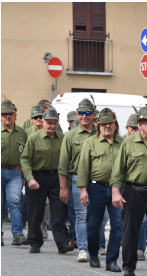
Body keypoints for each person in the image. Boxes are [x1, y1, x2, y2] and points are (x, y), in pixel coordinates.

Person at [110, 106, 147, 276]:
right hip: (134, 191)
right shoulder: (129, 143)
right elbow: (118, 171)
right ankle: (129, 265)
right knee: (130, 230)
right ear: (140, 124)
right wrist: (116, 192)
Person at [20, 107, 74, 254]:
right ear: (43, 122)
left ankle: (62, 243)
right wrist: (30, 179)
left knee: (58, 212)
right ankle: (35, 242)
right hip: (37, 177)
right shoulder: (34, 138)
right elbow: (25, 160)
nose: (51, 126)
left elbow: (68, 160)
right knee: (35, 212)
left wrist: (66, 183)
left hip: (56, 178)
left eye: (54, 123)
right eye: (49, 123)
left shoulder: (63, 138)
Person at [76, 108, 123, 271]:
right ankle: (94, 253)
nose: (107, 126)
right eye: (103, 124)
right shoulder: (90, 142)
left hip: (117, 189)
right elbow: (83, 167)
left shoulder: (122, 143)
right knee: (93, 225)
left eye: (110, 123)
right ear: (98, 125)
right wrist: (83, 190)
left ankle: (112, 260)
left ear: (115, 125)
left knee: (117, 225)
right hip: (96, 188)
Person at [58, 98, 97, 263]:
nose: (84, 116)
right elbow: (63, 164)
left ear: (94, 115)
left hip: (97, 181)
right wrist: (63, 187)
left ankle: (95, 244)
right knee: (81, 215)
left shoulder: (100, 133)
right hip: (75, 179)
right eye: (81, 113)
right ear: (77, 114)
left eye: (88, 113)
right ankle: (83, 248)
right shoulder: (70, 136)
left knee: (100, 216)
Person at [1, 99, 28, 246]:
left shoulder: (22, 133)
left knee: (15, 202)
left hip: (15, 173)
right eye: (4, 114)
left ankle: (17, 234)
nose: (7, 117)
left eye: (10, 113)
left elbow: (27, 153)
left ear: (15, 114)